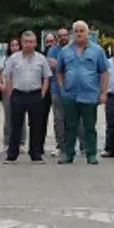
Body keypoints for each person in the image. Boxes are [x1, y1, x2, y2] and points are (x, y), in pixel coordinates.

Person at [56, 21, 109, 165]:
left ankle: (91, 154)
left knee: (90, 127)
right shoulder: (65, 51)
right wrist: (62, 87)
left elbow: (104, 72)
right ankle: (68, 154)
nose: (79, 33)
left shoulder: (97, 51)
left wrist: (103, 92)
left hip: (90, 94)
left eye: (82, 31)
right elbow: (59, 71)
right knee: (70, 126)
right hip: (70, 94)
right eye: (76, 31)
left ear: (87, 33)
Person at [1, 30, 52, 164]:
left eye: (31, 42)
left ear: (35, 43)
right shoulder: (13, 59)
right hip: (18, 94)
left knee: (36, 125)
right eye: (26, 41)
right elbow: (8, 76)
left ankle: (35, 154)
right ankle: (12, 155)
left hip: (35, 94)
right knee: (15, 125)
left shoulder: (41, 59)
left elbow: (46, 77)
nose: (28, 44)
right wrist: (10, 93)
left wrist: (43, 92)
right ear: (22, 43)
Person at [44, 27, 71, 157]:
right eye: (60, 36)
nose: (63, 38)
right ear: (57, 38)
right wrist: (69, 66)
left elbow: (58, 65)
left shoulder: (73, 48)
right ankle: (60, 145)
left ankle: (71, 145)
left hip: (73, 89)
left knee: (72, 119)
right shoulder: (52, 50)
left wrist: (61, 65)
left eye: (65, 35)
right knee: (58, 119)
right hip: (56, 90)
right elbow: (52, 64)